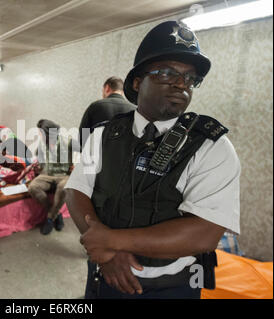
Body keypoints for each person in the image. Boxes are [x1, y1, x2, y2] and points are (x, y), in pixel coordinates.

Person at [64, 21, 240, 299]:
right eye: (167, 73)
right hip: (104, 275)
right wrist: (108, 255)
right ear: (137, 82)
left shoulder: (212, 147)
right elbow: (76, 190)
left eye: (190, 78)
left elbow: (204, 233)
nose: (182, 84)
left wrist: (111, 242)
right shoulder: (103, 135)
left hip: (173, 286)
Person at [28, 119, 74, 235]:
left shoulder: (67, 142)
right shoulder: (42, 144)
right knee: (33, 187)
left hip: (63, 175)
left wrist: (76, 166)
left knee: (64, 187)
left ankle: (49, 218)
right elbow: (39, 158)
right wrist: (39, 166)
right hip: (47, 174)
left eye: (41, 133)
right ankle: (55, 213)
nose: (39, 135)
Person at [78, 76, 135, 151]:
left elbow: (83, 136)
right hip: (123, 158)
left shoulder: (96, 106)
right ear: (122, 91)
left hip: (98, 157)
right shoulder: (133, 109)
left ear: (107, 88)